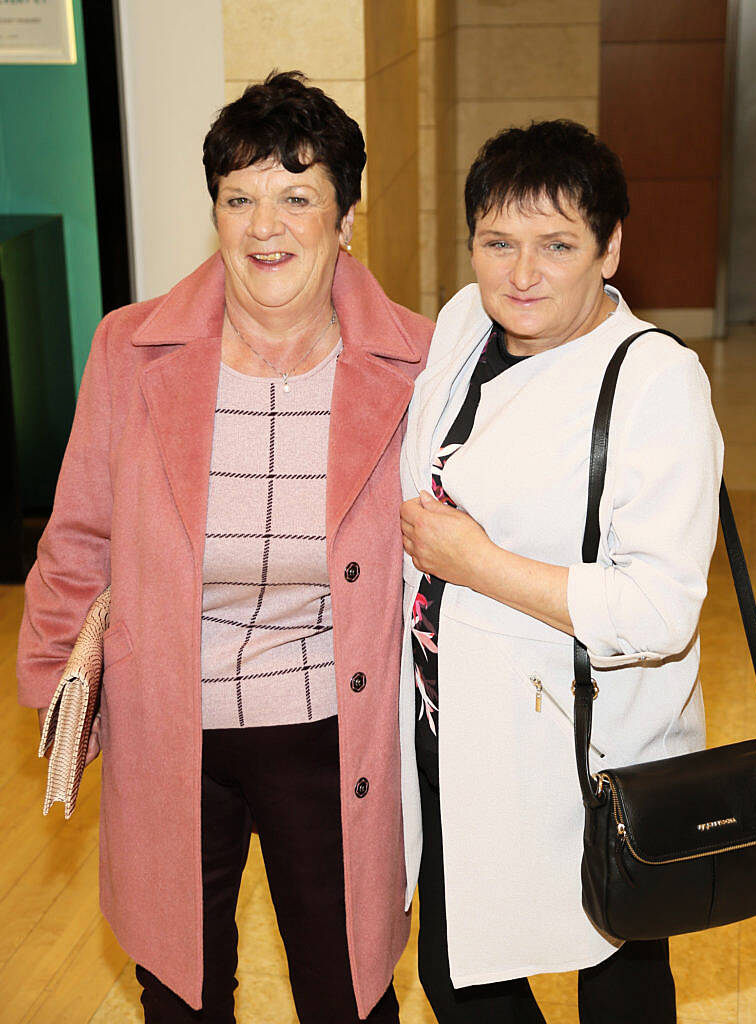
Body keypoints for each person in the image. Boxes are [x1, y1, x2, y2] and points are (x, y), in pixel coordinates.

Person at [17, 71, 432, 1023]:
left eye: (296, 196)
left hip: (330, 726)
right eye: (238, 198)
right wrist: (58, 688)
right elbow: (79, 532)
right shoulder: (132, 350)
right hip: (169, 724)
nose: (264, 226)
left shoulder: (414, 361)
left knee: (345, 989)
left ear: (346, 216)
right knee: (182, 990)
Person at [399, 120, 724, 1023]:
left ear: (610, 248)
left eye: (557, 245)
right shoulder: (467, 321)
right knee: (457, 974)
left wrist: (481, 565)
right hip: (450, 726)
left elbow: (659, 609)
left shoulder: (656, 381)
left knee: (615, 977)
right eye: (497, 243)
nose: (521, 275)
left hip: (585, 751)